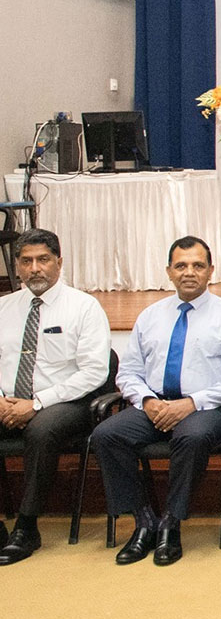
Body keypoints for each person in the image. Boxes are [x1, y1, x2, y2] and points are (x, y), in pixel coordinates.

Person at [94, 236, 221, 566]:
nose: (189, 272)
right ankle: (144, 522)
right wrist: (147, 400)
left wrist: (191, 402)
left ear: (211, 271)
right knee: (107, 435)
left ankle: (171, 523)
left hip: (207, 409)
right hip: (155, 405)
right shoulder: (150, 315)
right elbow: (128, 372)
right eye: (181, 265)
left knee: (191, 436)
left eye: (198, 265)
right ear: (169, 271)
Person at [0, 230, 111, 565]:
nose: (35, 268)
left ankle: (27, 526)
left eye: (43, 260)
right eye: (27, 261)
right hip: (8, 402)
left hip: (68, 404)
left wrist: (37, 403)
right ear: (17, 267)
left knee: (41, 428)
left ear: (59, 263)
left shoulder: (84, 307)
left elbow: (94, 372)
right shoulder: (3, 307)